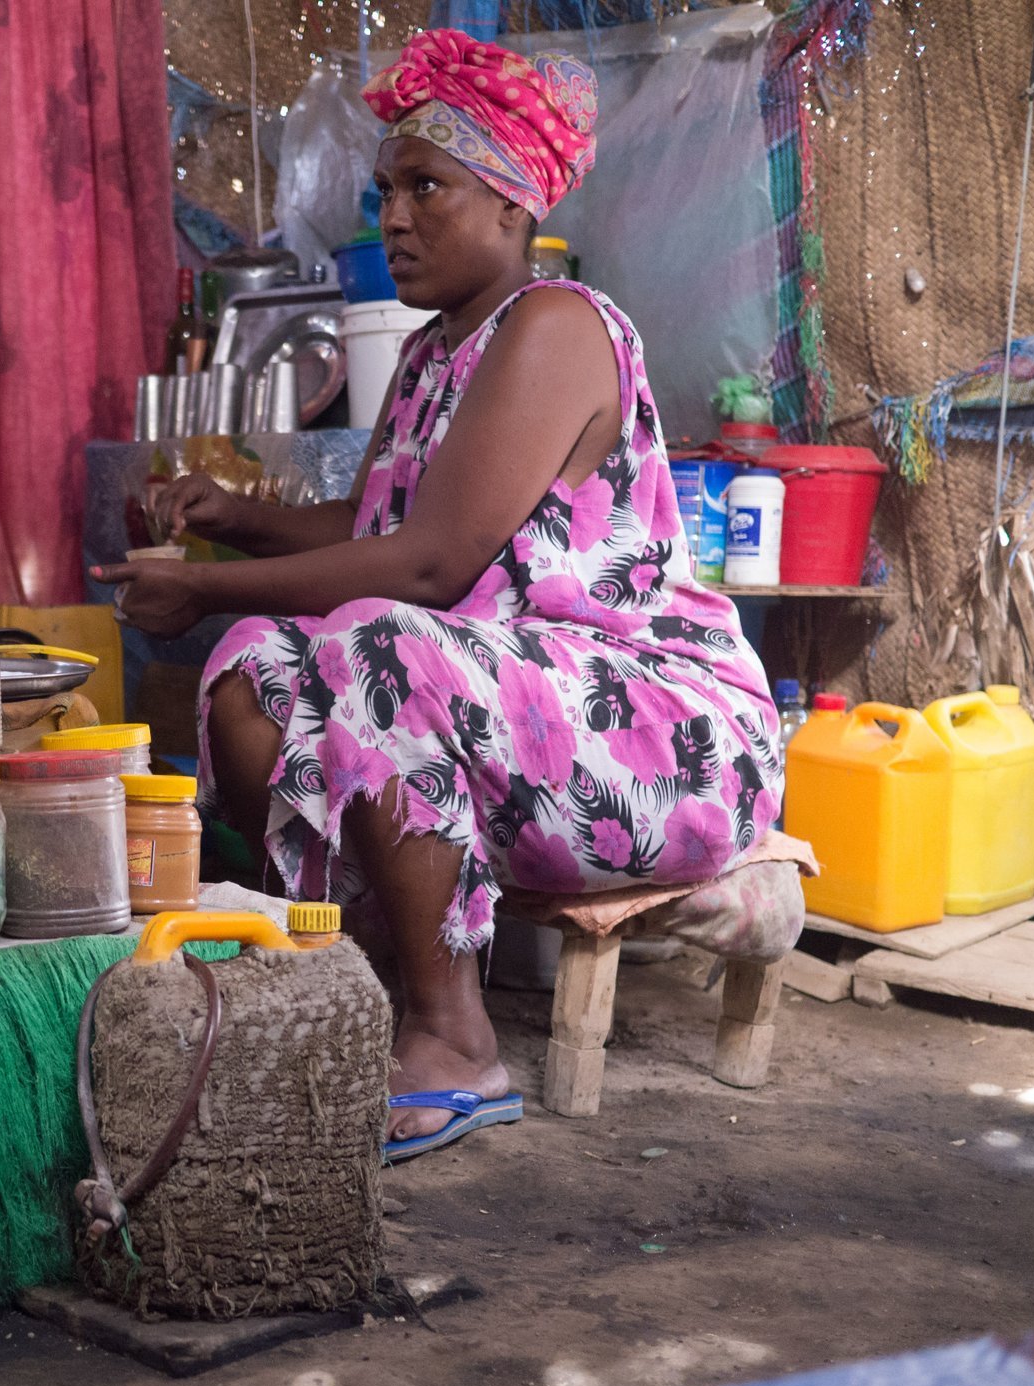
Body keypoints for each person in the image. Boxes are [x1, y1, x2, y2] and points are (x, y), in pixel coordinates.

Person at [93, 30, 780, 1161]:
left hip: (665, 729)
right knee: (256, 669)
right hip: (507, 714)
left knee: (373, 644)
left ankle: (455, 1039)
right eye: (385, 191)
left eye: (427, 188)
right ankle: (351, 975)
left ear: (513, 206)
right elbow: (375, 534)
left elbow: (429, 569)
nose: (394, 218)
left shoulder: (557, 328)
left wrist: (204, 593)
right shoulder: (425, 357)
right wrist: (232, 527)